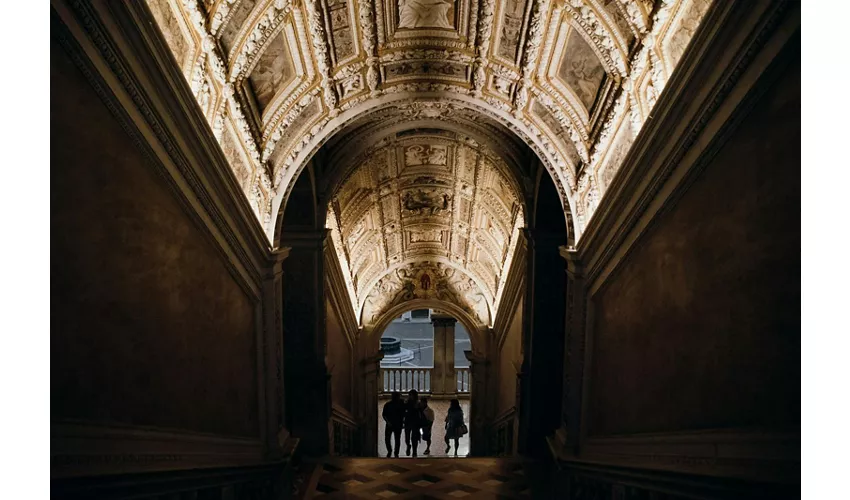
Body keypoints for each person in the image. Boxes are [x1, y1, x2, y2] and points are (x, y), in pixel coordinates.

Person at [382, 392, 405, 458]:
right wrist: (403, 422)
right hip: (398, 424)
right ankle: (396, 453)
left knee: (387, 438)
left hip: (390, 424)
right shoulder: (401, 404)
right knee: (397, 439)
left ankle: (389, 451)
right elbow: (403, 414)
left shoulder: (387, 404)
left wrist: (388, 422)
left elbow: (384, 415)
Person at [403, 389, 423, 457]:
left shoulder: (417, 403)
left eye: (411, 395)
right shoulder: (408, 402)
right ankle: (409, 446)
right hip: (410, 421)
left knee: (414, 438)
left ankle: (414, 451)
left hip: (414, 422)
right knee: (407, 438)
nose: (410, 396)